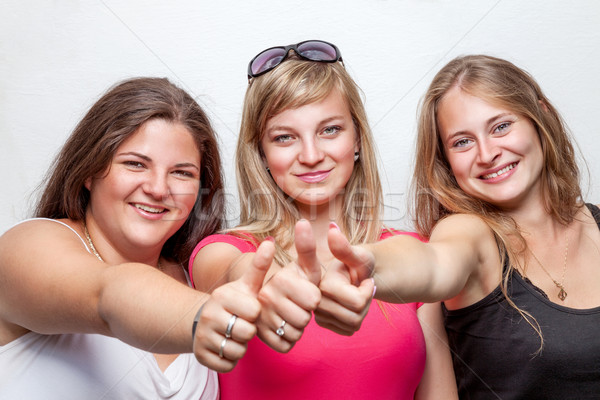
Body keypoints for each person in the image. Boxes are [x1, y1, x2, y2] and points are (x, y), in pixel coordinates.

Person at [190, 40, 457, 400]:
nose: (311, 155)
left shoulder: (411, 255)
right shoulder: (219, 251)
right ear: (262, 154)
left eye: (330, 130)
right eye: (284, 137)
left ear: (358, 137)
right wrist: (271, 284)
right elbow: (234, 271)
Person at [324, 54, 600, 399]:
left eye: (501, 126)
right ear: (446, 161)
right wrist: (366, 266)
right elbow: (434, 264)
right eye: (462, 142)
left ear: (540, 117)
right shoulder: (469, 233)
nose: (486, 154)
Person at [0, 77, 273, 399]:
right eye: (134, 164)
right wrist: (203, 314)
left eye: (182, 173)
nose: (158, 189)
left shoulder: (194, 275)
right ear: (89, 170)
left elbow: (236, 267)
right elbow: (109, 295)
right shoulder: (30, 244)